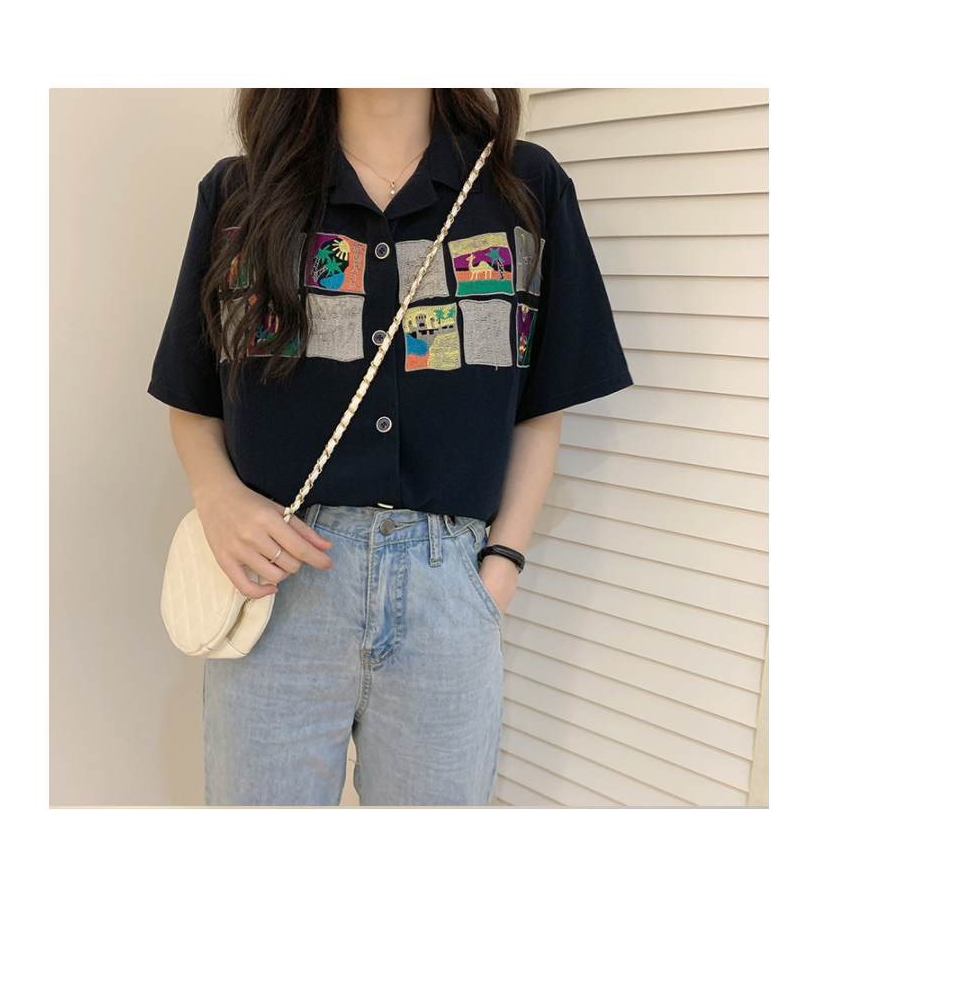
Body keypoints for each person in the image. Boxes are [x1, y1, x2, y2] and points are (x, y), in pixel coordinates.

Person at [148, 89, 632, 807]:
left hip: (448, 591)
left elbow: (540, 405)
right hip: (277, 591)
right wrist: (216, 496)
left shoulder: (522, 188)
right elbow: (192, 396)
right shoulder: (241, 194)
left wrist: (499, 567)